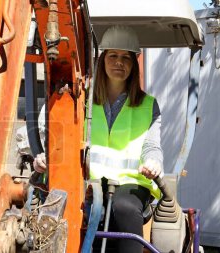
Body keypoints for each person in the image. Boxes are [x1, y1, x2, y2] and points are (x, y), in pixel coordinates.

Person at [33, 25, 164, 253]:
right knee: (64, 207)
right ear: (102, 59)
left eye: (126, 57)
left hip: (131, 184)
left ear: (134, 64)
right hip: (87, 183)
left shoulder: (147, 104)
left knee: (123, 207)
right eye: (113, 55)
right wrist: (46, 162)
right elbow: (61, 142)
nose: (119, 63)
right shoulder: (81, 100)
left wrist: (154, 163)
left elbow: (152, 146)